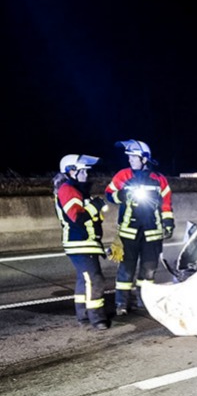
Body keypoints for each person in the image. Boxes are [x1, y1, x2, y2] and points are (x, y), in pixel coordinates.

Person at [105, 140, 174, 316]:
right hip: (129, 232)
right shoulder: (123, 175)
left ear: (144, 159)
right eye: (129, 157)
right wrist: (120, 195)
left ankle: (144, 301)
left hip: (152, 233)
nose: (130, 160)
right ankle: (122, 303)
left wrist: (168, 222)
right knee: (126, 270)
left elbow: (166, 204)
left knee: (149, 270)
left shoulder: (159, 179)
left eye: (133, 157)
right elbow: (109, 194)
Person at [53, 154, 110, 330]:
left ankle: (83, 314)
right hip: (79, 243)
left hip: (85, 243)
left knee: (84, 280)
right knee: (95, 280)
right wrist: (95, 207)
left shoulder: (77, 190)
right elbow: (77, 218)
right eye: (83, 171)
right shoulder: (68, 189)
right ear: (71, 171)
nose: (87, 175)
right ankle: (97, 317)